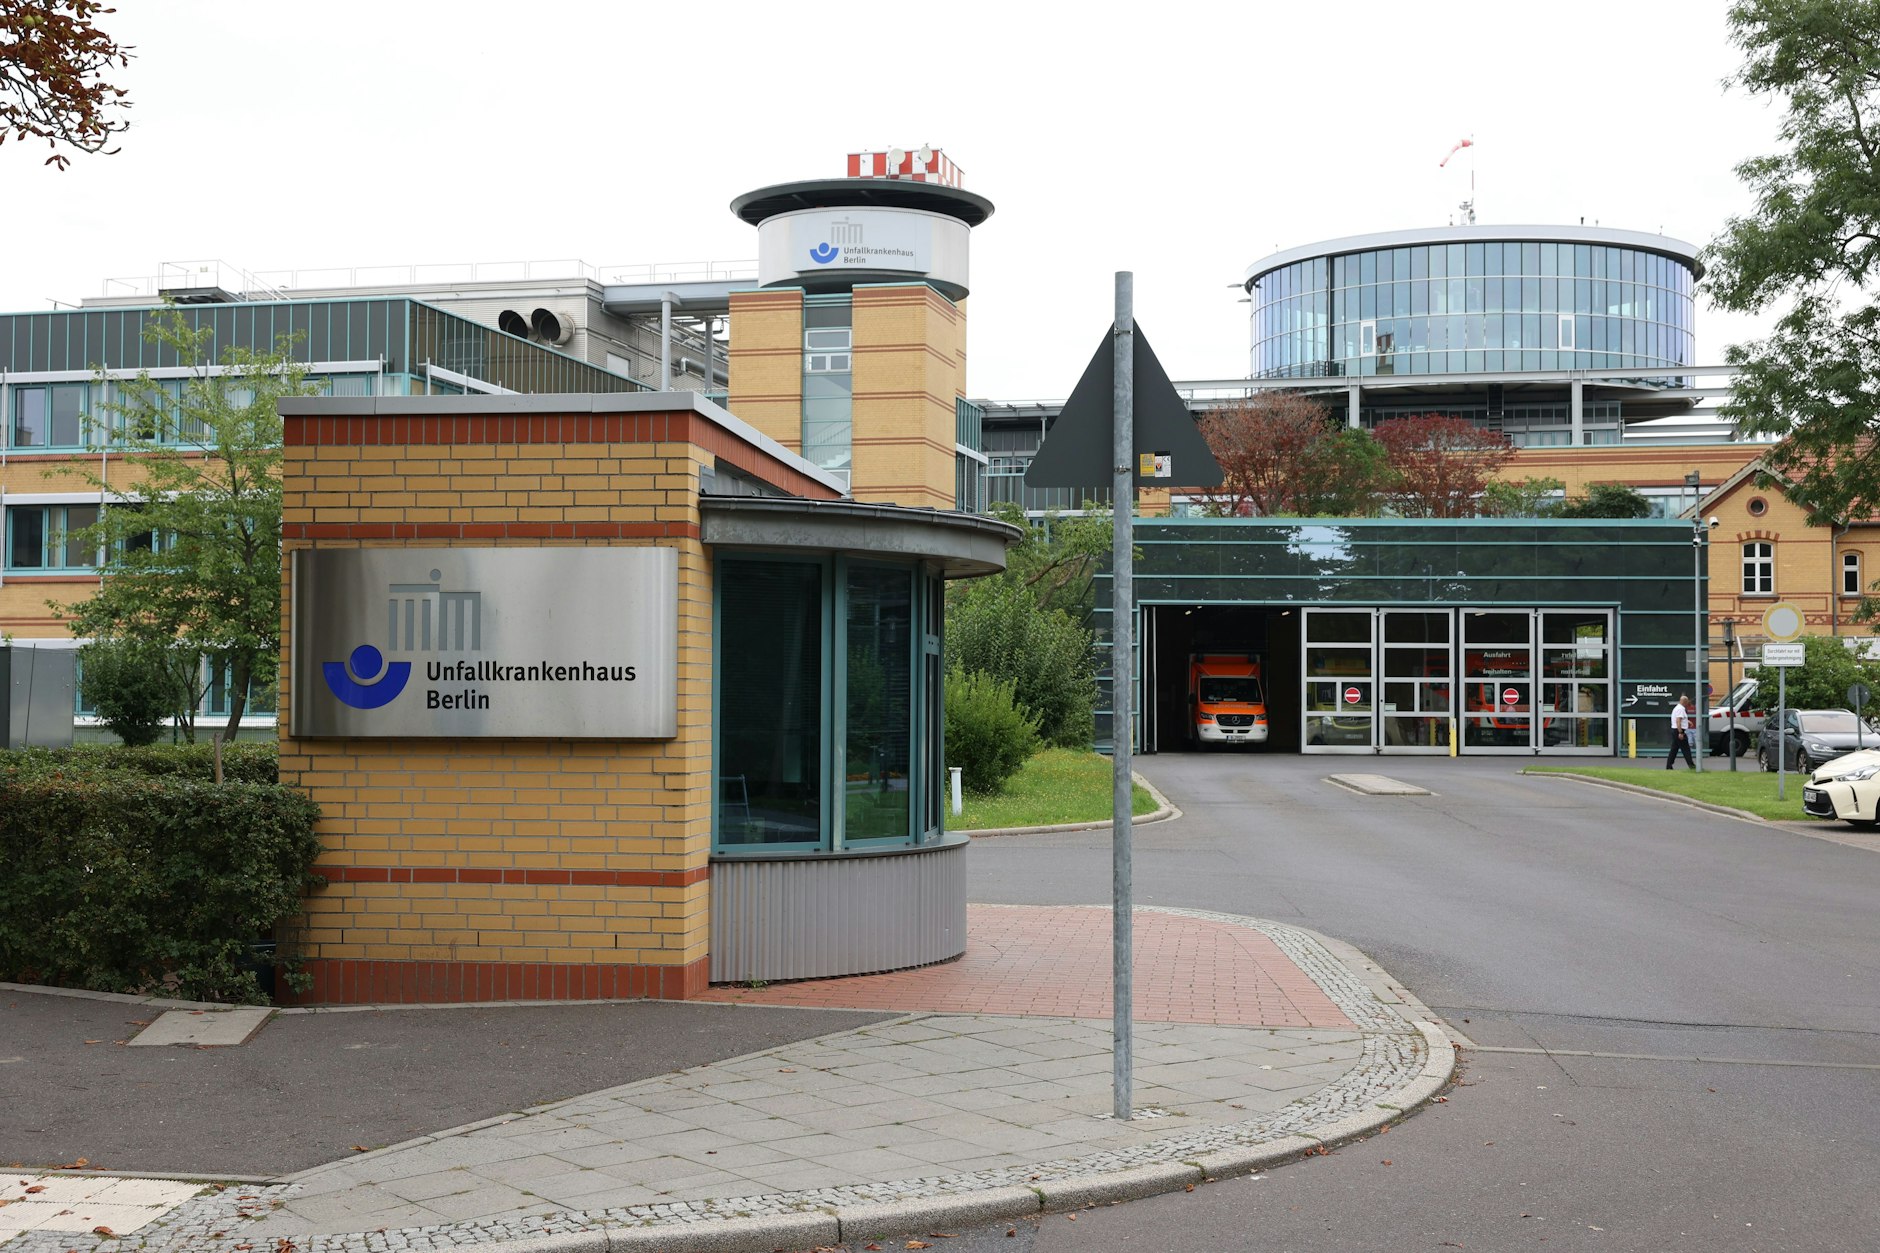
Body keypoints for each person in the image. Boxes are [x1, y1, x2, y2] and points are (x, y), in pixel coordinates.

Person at [1666, 693, 1696, 769]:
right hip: (1678, 731)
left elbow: (1681, 719)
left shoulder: (1677, 708)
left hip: (1675, 730)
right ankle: (1691, 765)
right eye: (1687, 702)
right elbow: (1678, 721)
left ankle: (1669, 765)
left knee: (1674, 749)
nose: (1687, 704)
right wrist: (1680, 732)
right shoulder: (1681, 709)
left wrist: (1687, 722)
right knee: (1686, 749)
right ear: (1684, 702)